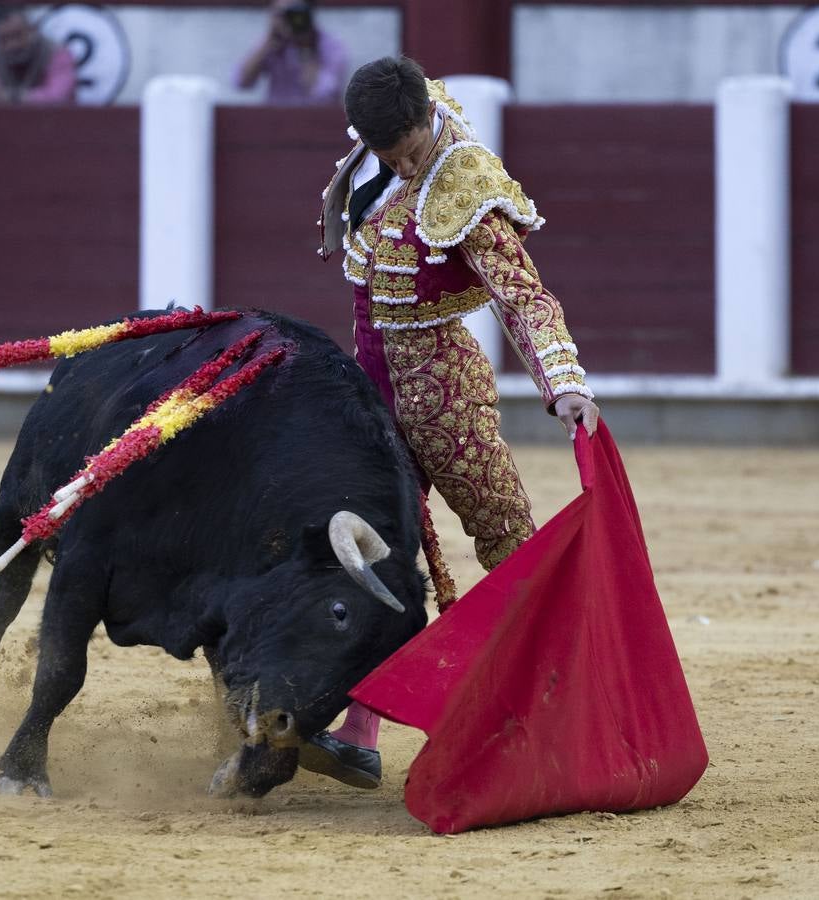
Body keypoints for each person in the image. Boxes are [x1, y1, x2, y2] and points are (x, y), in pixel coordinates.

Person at [302, 56, 601, 789]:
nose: (401, 164)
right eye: (386, 153)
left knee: (505, 541)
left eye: (407, 149)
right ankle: (360, 731)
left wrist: (562, 383)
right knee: (372, 550)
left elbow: (522, 295)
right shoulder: (382, 144)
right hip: (372, 391)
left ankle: (568, 709)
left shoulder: (464, 178)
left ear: (425, 123)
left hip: (445, 395)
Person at [235, 0, 347, 106]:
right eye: (282, 15)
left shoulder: (330, 47)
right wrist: (268, 43)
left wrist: (305, 46)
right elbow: (241, 82)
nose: (288, 20)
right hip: (275, 120)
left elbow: (324, 96)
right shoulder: (272, 43)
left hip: (315, 121)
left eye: (293, 14)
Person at [0, 7, 77, 105]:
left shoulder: (56, 53)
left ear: (32, 30)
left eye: (18, 35)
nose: (12, 45)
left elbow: (59, 97)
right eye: (4, 39)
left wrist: (11, 97)